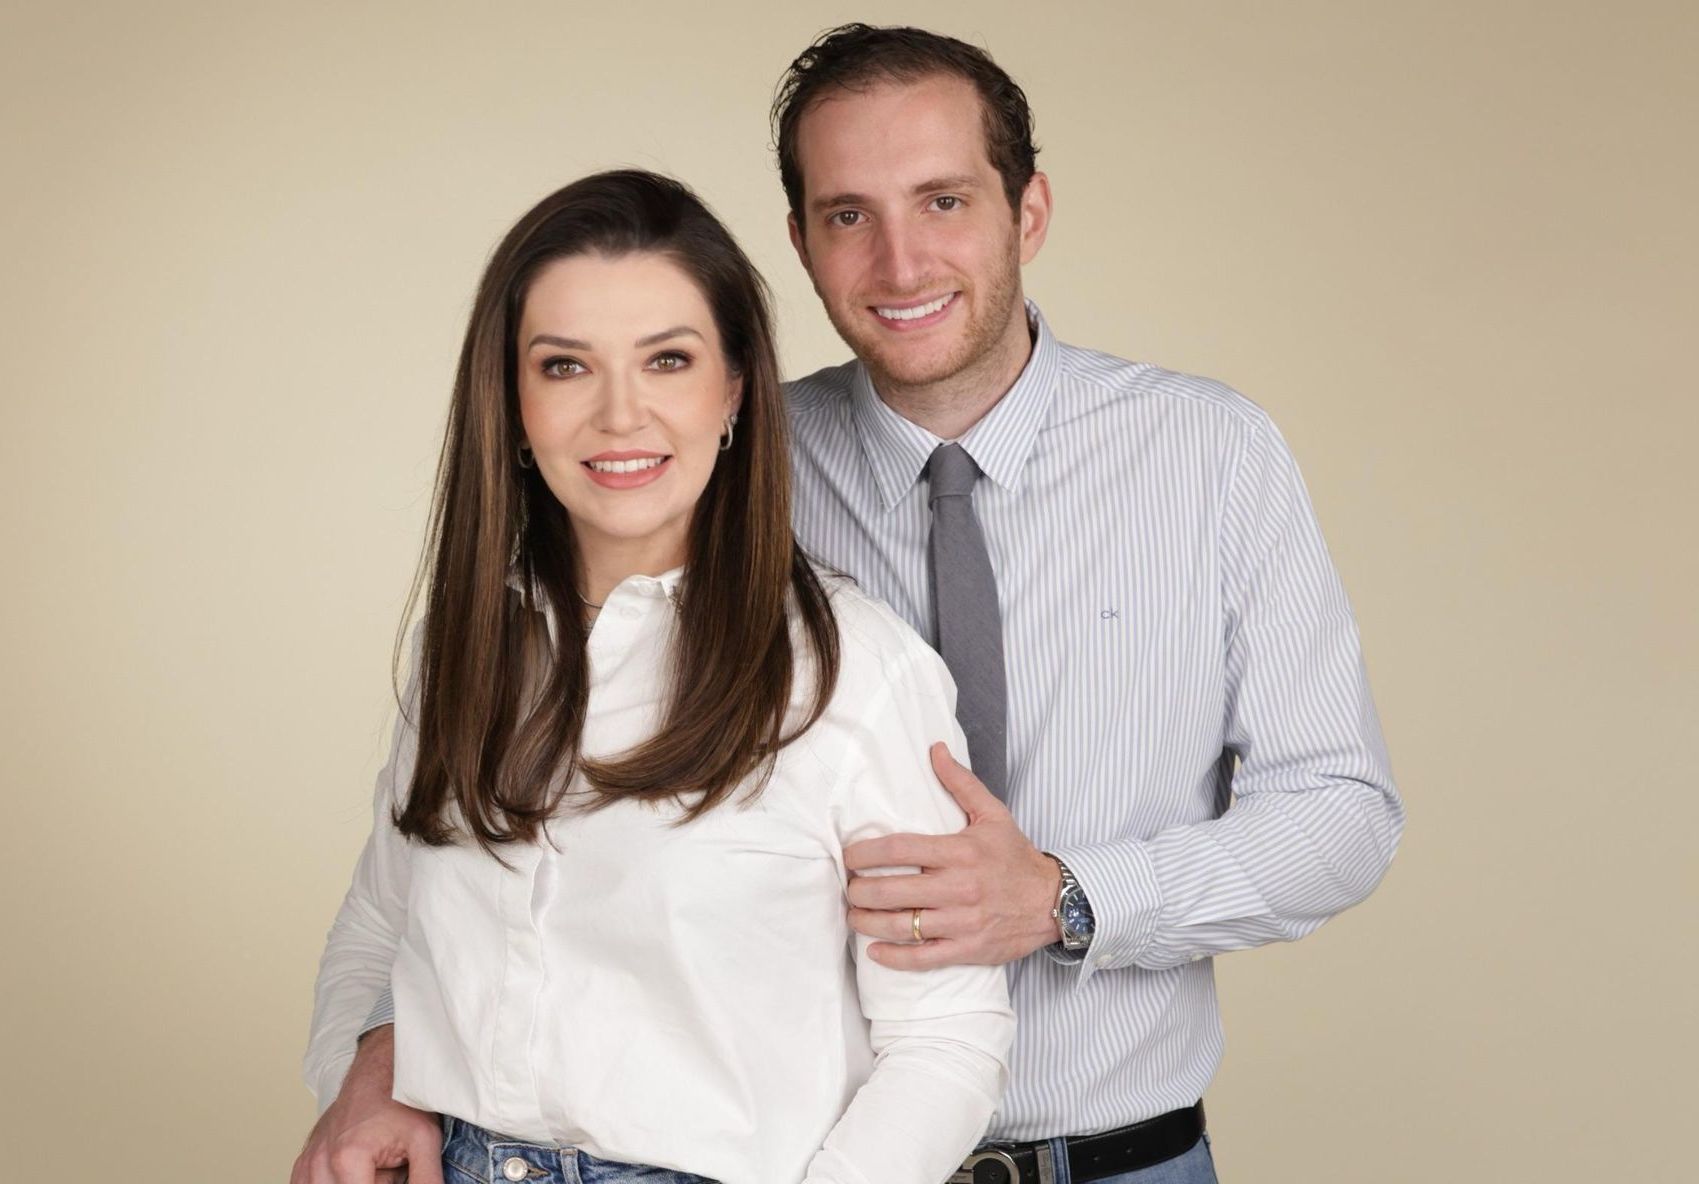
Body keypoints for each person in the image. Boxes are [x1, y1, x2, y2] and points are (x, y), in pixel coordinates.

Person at [306, 23, 1407, 1184]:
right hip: (805, 1140)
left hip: (1108, 1152)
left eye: (941, 201)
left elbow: (1338, 809)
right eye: (847, 215)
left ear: (1026, 211)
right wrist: (390, 1051)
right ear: (799, 242)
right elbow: (466, 871)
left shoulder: (1206, 455)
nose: (897, 262)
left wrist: (1069, 895)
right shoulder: (711, 471)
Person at [295, 169, 1013, 1184]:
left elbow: (945, 1044)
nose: (619, 414)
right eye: (565, 366)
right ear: (512, 400)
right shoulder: (461, 645)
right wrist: (366, 1069)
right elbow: (379, 927)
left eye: (667, 360)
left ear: (730, 392)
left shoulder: (853, 674)